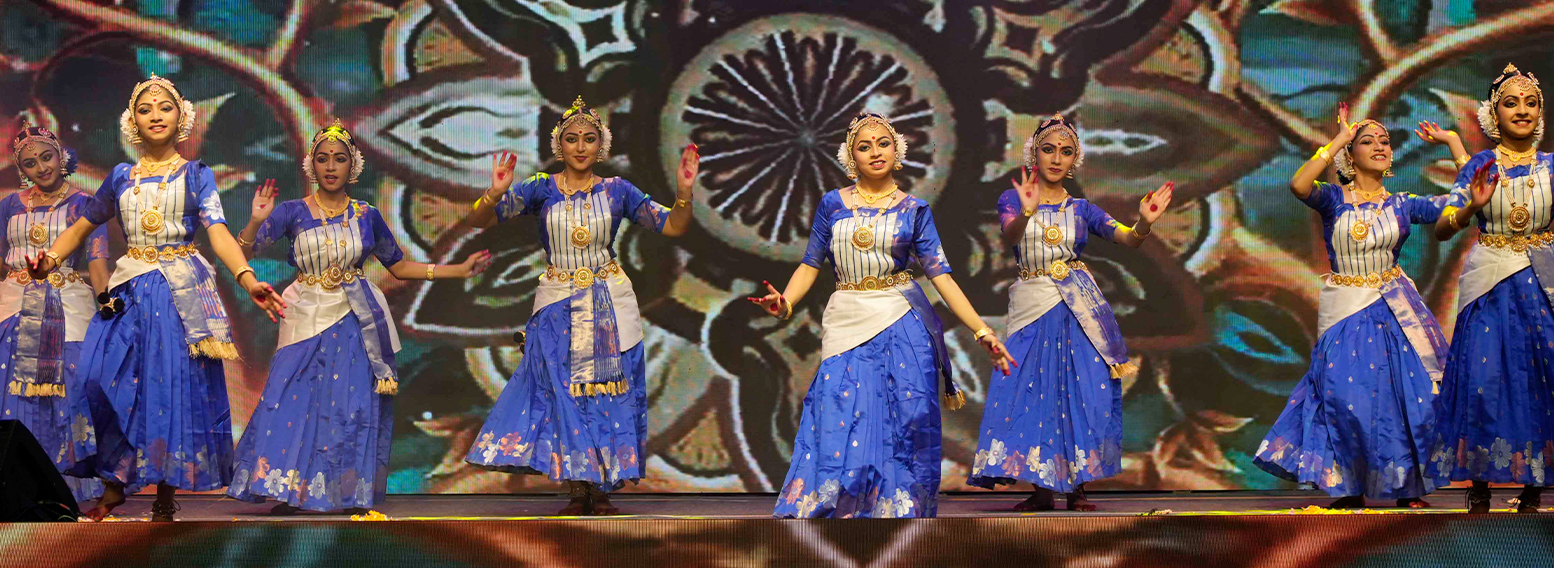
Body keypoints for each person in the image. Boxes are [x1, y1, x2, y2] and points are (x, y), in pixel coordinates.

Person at [31, 74, 286, 521]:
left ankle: (164, 491)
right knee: (97, 377)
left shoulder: (197, 174)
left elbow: (218, 232)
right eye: (145, 109)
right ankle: (114, 480)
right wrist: (49, 259)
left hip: (177, 292)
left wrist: (248, 281)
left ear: (180, 117)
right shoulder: (120, 176)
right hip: (129, 288)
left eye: (165, 107)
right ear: (132, 121)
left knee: (170, 388)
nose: (155, 115)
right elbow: (82, 226)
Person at [752, 111, 1015, 518]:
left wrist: (982, 331)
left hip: (901, 318)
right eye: (864, 146)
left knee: (906, 419)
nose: (875, 151)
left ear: (897, 151)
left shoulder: (914, 209)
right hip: (846, 317)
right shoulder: (833, 204)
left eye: (883, 143)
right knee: (838, 411)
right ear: (851, 157)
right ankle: (837, 515)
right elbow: (810, 263)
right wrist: (785, 302)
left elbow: (941, 277)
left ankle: (899, 517)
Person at [227, 120, 492, 514]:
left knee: (348, 407)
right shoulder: (291, 212)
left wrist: (455, 270)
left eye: (339, 159)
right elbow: (243, 253)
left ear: (353, 166)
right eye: (323, 159)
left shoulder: (367, 215)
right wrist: (254, 220)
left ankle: (342, 493)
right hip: (304, 314)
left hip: (354, 317)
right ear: (311, 165)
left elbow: (399, 266)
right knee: (292, 401)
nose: (331, 166)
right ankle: (291, 490)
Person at [463, 97, 699, 515]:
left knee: (606, 397)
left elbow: (672, 226)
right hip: (557, 302)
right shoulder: (540, 187)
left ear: (601, 145)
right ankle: (577, 487)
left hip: (609, 303)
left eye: (589, 138)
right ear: (559, 145)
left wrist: (683, 193)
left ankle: (601, 489)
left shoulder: (618, 190)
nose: (580, 146)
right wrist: (494, 193)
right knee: (565, 396)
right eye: (571, 139)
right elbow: (479, 221)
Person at [1253, 105, 1463, 509]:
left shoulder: (1403, 203)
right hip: (1345, 309)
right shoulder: (1333, 199)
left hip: (1393, 310)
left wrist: (1454, 144)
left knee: (1406, 396)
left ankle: (1406, 489)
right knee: (1344, 398)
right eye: (1368, 141)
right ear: (1351, 155)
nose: (1380, 146)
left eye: (1385, 141)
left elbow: (1460, 201)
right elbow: (1299, 185)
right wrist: (1338, 140)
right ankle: (1347, 487)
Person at [966, 114, 1172, 511]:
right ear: (1035, 154)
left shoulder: (1082, 209)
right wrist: (1028, 211)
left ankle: (1077, 487)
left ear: (1075, 160)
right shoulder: (1013, 199)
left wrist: (1144, 224)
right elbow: (1010, 234)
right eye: (1048, 149)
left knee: (1081, 392)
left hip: (1079, 310)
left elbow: (1127, 239)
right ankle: (1042, 489)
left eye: (1066, 152)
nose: (1056, 158)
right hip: (1032, 305)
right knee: (1029, 392)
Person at [1430, 63, 1553, 513]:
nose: (1522, 110)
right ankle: (1480, 484)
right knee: (1483, 381)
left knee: (1540, 380)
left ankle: (1534, 487)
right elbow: (1443, 228)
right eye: (1511, 103)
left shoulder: (1552, 167)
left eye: (1531, 103)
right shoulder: (1479, 166)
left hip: (1541, 284)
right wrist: (1469, 209)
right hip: (1489, 284)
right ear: (1493, 115)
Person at [0, 121, 109, 503]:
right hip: (13, 300)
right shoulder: (9, 205)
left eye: (47, 157)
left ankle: (67, 482)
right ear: (21, 169)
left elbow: (97, 263)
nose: (41, 167)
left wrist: (106, 300)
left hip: (67, 299)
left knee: (73, 380)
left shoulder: (85, 205)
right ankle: (14, 482)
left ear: (61, 156)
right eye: (30, 163)